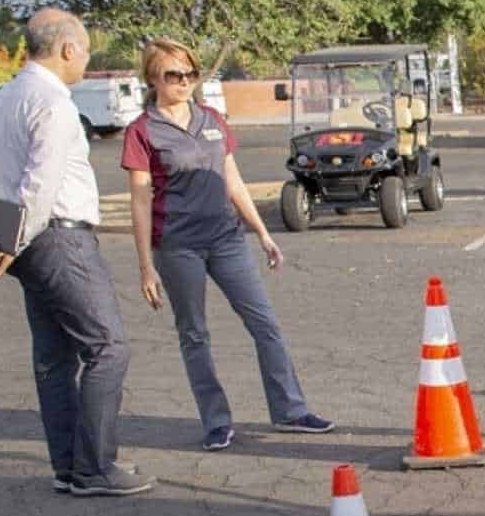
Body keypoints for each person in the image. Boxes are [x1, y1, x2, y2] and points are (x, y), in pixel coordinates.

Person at [121, 37, 333, 451]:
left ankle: (290, 410)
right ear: (152, 78)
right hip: (177, 245)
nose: (184, 82)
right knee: (195, 334)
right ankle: (216, 422)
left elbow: (232, 180)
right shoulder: (142, 132)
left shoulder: (213, 119)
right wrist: (145, 265)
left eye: (190, 73)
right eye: (173, 74)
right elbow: (141, 199)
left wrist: (263, 233)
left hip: (225, 238)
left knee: (265, 323)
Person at [0, 9, 152, 496]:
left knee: (54, 358)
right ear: (68, 50)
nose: (86, 59)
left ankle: (69, 466)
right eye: (87, 51)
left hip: (30, 240)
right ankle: (95, 468)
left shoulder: (7, 96)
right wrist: (10, 245)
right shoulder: (52, 103)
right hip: (59, 237)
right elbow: (40, 183)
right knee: (107, 347)